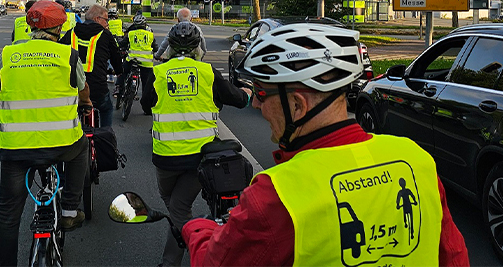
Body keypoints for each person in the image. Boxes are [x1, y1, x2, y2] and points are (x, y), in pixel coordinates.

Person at [182, 23, 469, 266]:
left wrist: (198, 228)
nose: (256, 103)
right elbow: (454, 256)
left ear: (297, 105)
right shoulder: (415, 160)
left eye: (260, 92)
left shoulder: (276, 195)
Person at [0, 0, 93, 266]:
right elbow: (82, 88)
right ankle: (70, 209)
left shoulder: (8, 54)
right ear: (60, 28)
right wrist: (85, 103)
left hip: (15, 147)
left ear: (29, 26)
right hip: (61, 144)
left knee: (7, 216)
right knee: (82, 148)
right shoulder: (67, 55)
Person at [152, 21, 252, 266]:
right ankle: (200, 237)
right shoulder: (207, 72)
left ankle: (170, 261)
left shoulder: (158, 73)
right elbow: (237, 99)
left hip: (166, 158)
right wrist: (247, 93)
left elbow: (145, 103)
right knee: (179, 207)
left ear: (170, 47)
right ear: (199, 47)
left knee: (174, 203)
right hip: (202, 157)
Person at [60, 4, 123, 127]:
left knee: (69, 111)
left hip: (73, 87)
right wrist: (119, 71)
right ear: (97, 19)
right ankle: (107, 140)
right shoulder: (105, 35)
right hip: (97, 87)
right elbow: (116, 57)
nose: (107, 23)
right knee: (106, 109)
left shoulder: (71, 33)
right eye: (106, 20)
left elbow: (59, 52)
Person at [116, 13, 158, 114]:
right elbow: (156, 48)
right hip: (146, 63)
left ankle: (119, 89)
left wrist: (117, 41)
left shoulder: (131, 34)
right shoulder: (150, 35)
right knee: (146, 85)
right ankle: (146, 108)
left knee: (122, 72)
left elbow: (122, 44)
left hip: (132, 61)